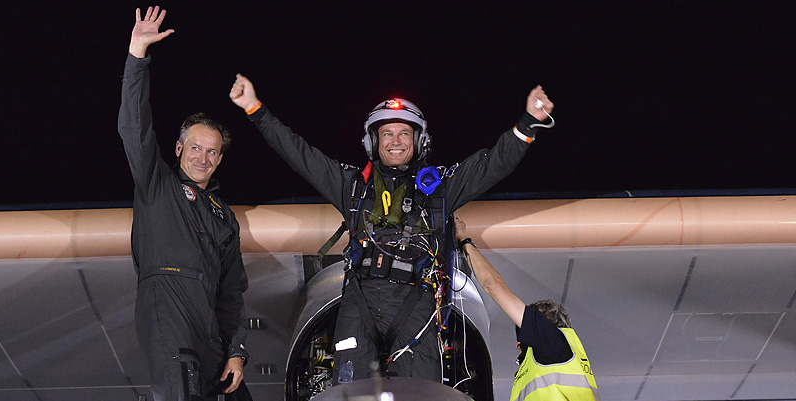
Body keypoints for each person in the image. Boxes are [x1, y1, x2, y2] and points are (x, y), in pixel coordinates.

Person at [229, 73, 554, 385]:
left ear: (418, 140)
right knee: (348, 391)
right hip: (359, 304)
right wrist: (255, 109)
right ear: (374, 141)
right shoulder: (351, 186)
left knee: (421, 394)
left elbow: (491, 164)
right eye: (387, 133)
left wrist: (528, 122)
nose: (395, 141)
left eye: (403, 133)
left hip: (418, 306)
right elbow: (299, 153)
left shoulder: (440, 187)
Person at [118, 6, 250, 400]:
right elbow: (133, 127)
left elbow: (231, 292)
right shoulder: (156, 184)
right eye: (195, 147)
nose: (202, 157)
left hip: (209, 328)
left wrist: (237, 352)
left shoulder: (224, 218)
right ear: (178, 149)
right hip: (168, 310)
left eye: (212, 152)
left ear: (220, 159)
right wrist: (137, 53)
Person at [454, 215, 600, 400]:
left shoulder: (551, 342)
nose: (517, 346)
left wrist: (464, 241)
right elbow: (493, 286)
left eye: (523, 338)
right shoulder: (561, 353)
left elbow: (494, 286)